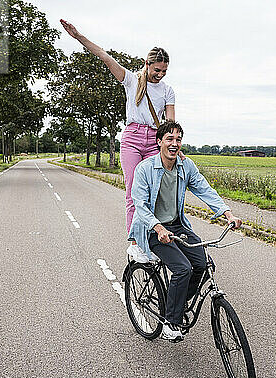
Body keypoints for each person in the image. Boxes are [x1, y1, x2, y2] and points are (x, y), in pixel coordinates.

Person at [60, 20, 176, 263]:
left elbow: (170, 125)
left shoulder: (167, 90)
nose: (160, 74)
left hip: (155, 141)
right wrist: (78, 36)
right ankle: (135, 244)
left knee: (154, 195)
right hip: (133, 139)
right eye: (157, 70)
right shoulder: (132, 80)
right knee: (134, 193)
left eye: (164, 71)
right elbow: (104, 56)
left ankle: (151, 241)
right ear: (147, 64)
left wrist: (175, 146)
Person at [128, 120, 242, 341]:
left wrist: (227, 214)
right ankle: (171, 322)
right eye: (169, 139)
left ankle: (177, 302)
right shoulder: (145, 169)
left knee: (203, 264)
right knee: (182, 269)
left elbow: (204, 189)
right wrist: (158, 227)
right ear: (159, 141)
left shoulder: (185, 165)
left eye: (178, 139)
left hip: (177, 226)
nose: (174, 143)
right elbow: (139, 205)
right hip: (153, 230)